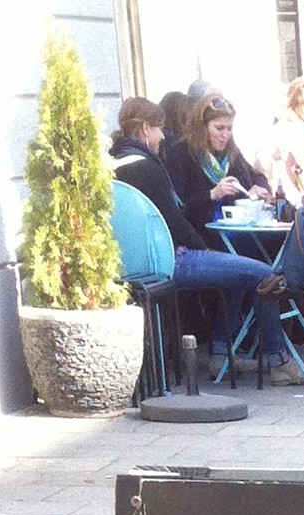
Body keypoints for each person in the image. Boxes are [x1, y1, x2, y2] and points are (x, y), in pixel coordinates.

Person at [110, 101, 287, 366]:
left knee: (236, 266)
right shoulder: (149, 167)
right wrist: (204, 248)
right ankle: (279, 362)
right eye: (158, 129)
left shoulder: (112, 164)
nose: (162, 136)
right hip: (170, 260)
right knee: (264, 273)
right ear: (145, 129)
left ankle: (221, 353)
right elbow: (174, 219)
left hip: (131, 265)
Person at [161, 91, 270, 240]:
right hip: (201, 236)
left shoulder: (231, 153)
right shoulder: (181, 154)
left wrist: (257, 189)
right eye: (219, 128)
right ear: (202, 127)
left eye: (229, 128)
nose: (225, 135)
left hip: (239, 232)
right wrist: (212, 194)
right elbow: (177, 206)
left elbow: (257, 176)